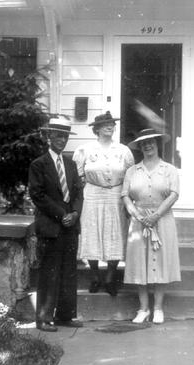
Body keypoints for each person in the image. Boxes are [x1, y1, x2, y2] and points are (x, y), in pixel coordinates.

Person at [28, 116, 84, 332]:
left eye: (65, 135)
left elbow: (78, 192)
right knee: (49, 272)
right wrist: (62, 215)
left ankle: (65, 315)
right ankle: (43, 318)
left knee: (69, 271)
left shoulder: (71, 164)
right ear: (48, 136)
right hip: (51, 225)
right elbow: (38, 195)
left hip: (71, 225)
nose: (62, 139)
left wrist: (76, 214)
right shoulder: (38, 164)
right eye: (58, 135)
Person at [121, 129, 181, 324]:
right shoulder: (132, 171)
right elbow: (125, 196)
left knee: (161, 260)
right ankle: (143, 308)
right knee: (139, 262)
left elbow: (173, 194)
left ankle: (158, 308)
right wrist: (136, 214)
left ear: (157, 144)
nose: (148, 146)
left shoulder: (169, 169)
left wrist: (156, 215)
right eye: (143, 143)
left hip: (162, 219)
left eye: (151, 142)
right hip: (139, 221)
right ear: (140, 147)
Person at [73, 111, 135, 296]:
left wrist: (127, 197)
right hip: (92, 194)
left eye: (112, 124)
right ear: (97, 129)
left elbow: (130, 176)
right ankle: (94, 277)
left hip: (116, 194)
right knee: (92, 232)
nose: (110, 126)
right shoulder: (84, 150)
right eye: (106, 124)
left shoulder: (123, 151)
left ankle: (109, 278)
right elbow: (78, 176)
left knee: (114, 233)